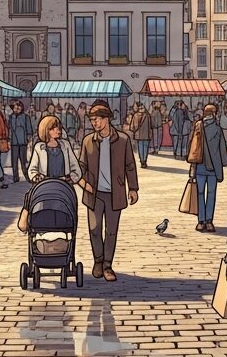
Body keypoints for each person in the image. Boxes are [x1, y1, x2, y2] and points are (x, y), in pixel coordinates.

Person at [79, 102, 139, 282]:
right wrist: (81, 180)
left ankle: (107, 265)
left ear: (106, 119)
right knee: (94, 229)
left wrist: (133, 188)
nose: (94, 123)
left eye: (96, 119)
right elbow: (82, 165)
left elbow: (130, 165)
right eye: (91, 120)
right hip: (94, 194)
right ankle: (98, 261)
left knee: (111, 231)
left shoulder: (122, 140)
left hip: (115, 193)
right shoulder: (88, 141)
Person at [188, 103, 227, 232]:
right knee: (211, 194)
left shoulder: (197, 126)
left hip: (199, 165)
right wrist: (226, 162)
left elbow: (191, 145)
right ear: (214, 114)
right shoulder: (217, 129)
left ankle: (200, 221)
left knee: (200, 193)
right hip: (213, 166)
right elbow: (222, 147)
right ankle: (209, 221)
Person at [27, 115, 82, 185]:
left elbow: (75, 167)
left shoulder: (65, 145)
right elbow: (32, 170)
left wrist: (69, 179)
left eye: (58, 127)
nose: (57, 130)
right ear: (45, 130)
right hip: (45, 186)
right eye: (53, 128)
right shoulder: (39, 147)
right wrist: (40, 179)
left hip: (63, 186)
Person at [7, 100, 31, 184]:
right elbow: (9, 129)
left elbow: (29, 130)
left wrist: (29, 140)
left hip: (23, 142)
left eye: (19, 106)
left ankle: (27, 177)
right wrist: (9, 140)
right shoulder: (11, 117)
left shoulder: (25, 117)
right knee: (14, 162)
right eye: (15, 107)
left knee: (23, 162)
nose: (17, 108)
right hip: (14, 142)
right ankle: (15, 178)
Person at [126, 103, 154, 169]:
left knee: (140, 148)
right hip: (146, 135)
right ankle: (144, 161)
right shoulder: (147, 116)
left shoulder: (135, 116)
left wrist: (134, 131)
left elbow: (132, 127)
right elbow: (151, 126)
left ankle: (142, 161)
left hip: (139, 135)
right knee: (145, 149)